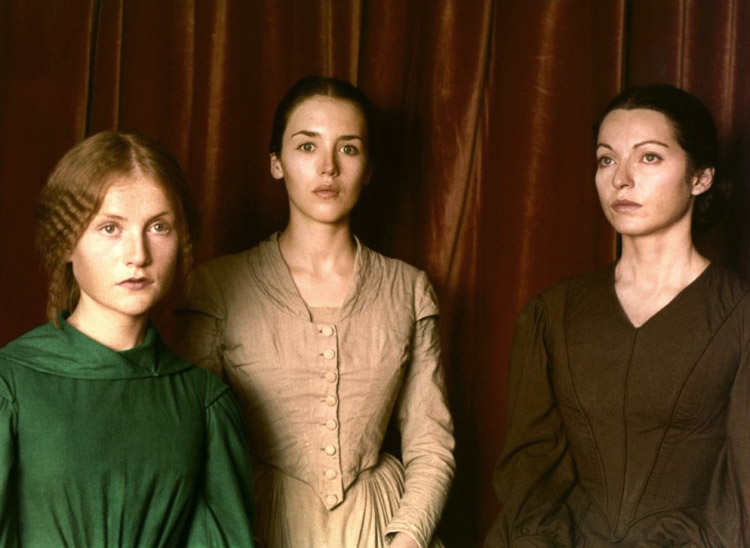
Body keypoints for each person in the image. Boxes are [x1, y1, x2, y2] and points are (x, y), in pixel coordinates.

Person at [174, 75, 455, 548]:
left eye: (348, 149)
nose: (328, 167)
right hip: (256, 527)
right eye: (307, 146)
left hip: (382, 529)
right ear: (276, 162)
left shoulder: (407, 288)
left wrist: (407, 538)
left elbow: (431, 442)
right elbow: (190, 442)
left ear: (368, 167)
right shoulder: (217, 287)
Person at [485, 84, 750, 547]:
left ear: (700, 178)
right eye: (606, 159)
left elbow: (741, 493)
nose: (621, 180)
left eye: (649, 157)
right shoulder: (552, 312)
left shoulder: (741, 317)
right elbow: (530, 467)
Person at [0, 131, 256, 547]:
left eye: (158, 227)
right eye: (110, 228)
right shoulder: (10, 384)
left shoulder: (204, 402)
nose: (138, 255)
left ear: (182, 239)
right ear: (65, 242)